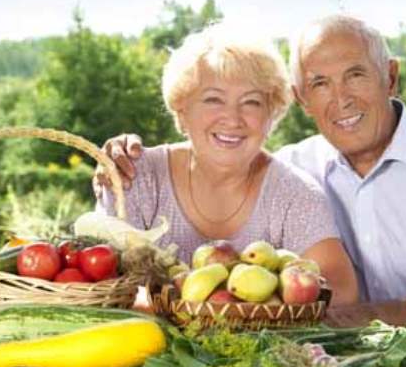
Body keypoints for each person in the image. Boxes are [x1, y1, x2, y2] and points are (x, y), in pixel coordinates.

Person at [95, 15, 406, 331]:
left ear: (390, 77)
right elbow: (96, 283)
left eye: (355, 74)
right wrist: (119, 159)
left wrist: (346, 319)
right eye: (320, 83)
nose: (341, 100)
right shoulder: (296, 166)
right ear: (301, 98)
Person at [95, 24, 359, 307]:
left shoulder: (295, 194)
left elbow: (341, 292)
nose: (233, 119)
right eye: (213, 99)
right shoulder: (137, 176)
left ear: (271, 117)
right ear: (182, 112)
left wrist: (261, 308)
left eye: (252, 103)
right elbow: (100, 281)